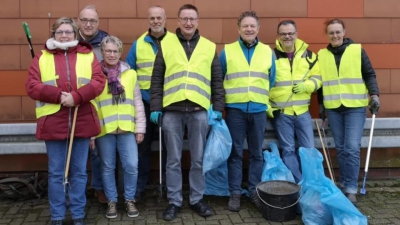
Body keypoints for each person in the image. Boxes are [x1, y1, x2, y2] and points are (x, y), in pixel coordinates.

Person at [25, 17, 105, 225]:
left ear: (75, 34)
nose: (64, 35)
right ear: (53, 34)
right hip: (53, 123)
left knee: (78, 172)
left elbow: (98, 82)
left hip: (82, 120)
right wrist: (60, 96)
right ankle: (58, 216)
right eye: (60, 32)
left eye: (68, 32)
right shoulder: (41, 57)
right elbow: (32, 86)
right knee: (56, 173)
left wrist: (77, 97)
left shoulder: (88, 55)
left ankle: (78, 215)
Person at [150, 4, 225, 221]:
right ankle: (174, 201)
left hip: (198, 111)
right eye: (184, 19)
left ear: (198, 21)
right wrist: (155, 106)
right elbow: (157, 78)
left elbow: (216, 80)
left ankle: (196, 199)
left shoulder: (209, 47)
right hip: (172, 111)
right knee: (172, 159)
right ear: (178, 21)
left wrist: (218, 107)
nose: (188, 23)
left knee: (198, 159)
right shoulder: (166, 44)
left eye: (192, 19)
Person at [318, 18, 380, 204]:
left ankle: (351, 188)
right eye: (331, 32)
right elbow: (321, 84)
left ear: (344, 32)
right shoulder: (322, 54)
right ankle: (344, 184)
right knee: (342, 149)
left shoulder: (356, 50)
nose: (335, 35)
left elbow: (369, 74)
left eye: (338, 31)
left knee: (352, 148)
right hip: (334, 108)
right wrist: (322, 107)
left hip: (355, 107)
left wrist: (374, 95)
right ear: (327, 34)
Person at [219, 11, 276, 212]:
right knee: (234, 153)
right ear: (239, 28)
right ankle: (234, 193)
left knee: (256, 154)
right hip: (235, 110)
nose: (249, 29)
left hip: (259, 110)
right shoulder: (227, 51)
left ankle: (253, 190)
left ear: (258, 29)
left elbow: (272, 79)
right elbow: (220, 78)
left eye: (253, 26)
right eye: (245, 26)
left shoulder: (268, 52)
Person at [93, 36, 146, 219]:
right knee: (107, 166)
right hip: (104, 129)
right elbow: (92, 106)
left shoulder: (130, 74)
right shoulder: (95, 75)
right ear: (102, 52)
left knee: (131, 165)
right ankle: (112, 201)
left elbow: (137, 102)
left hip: (126, 129)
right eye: (108, 50)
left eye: (115, 51)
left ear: (120, 53)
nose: (112, 54)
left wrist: (140, 128)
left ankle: (129, 199)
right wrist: (91, 134)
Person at [125, 5, 170, 203]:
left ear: (165, 19)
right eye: (152, 18)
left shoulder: (174, 42)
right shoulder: (138, 44)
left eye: (159, 17)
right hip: (144, 103)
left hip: (169, 103)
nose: (156, 21)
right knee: (142, 148)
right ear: (148, 20)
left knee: (169, 148)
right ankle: (139, 188)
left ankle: (169, 187)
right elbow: (128, 71)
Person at [267, 20, 321, 184]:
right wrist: (269, 109)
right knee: (288, 150)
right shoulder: (270, 57)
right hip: (281, 113)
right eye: (283, 34)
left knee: (309, 150)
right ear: (278, 36)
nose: (287, 36)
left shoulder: (310, 56)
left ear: (296, 34)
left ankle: (312, 182)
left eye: (290, 33)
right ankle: (298, 184)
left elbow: (318, 79)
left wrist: (306, 86)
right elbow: (262, 85)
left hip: (303, 112)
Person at [77, 5, 109, 204]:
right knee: (73, 152)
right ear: (78, 21)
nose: (89, 24)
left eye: (93, 21)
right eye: (85, 20)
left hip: (99, 104)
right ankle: (75, 192)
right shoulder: (67, 40)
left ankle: (98, 188)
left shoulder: (105, 43)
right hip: (72, 103)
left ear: (98, 22)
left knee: (97, 151)